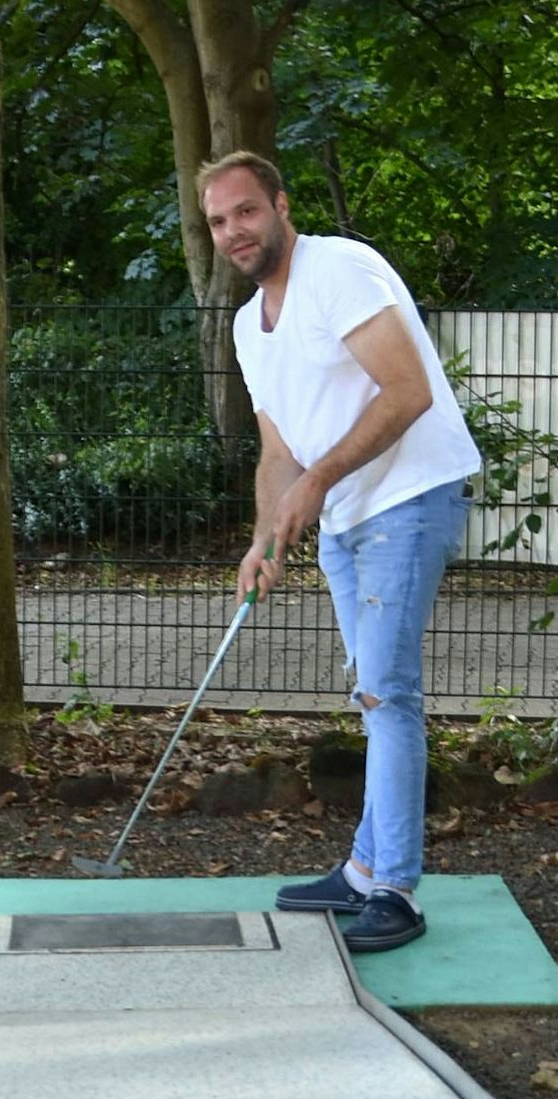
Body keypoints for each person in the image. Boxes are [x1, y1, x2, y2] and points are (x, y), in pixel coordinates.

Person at [199, 151, 480, 953]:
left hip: (410, 495)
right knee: (369, 691)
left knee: (388, 691)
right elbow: (277, 450)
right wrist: (262, 538)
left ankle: (396, 888)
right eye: (218, 221)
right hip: (344, 510)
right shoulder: (248, 326)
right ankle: (363, 868)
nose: (233, 232)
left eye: (245, 212)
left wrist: (318, 482)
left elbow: (409, 390)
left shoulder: (342, 269)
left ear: (280, 206)